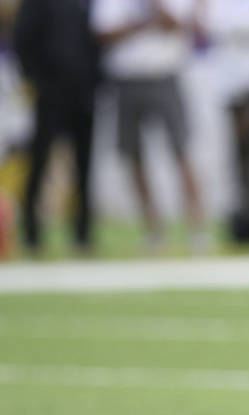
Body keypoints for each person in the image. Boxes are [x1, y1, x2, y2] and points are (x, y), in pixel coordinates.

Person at [91, 0, 208, 253]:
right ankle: (153, 229)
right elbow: (102, 33)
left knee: (181, 149)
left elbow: (180, 25)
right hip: (127, 78)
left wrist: (153, 9)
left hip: (164, 74)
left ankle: (197, 227)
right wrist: (138, 25)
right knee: (133, 156)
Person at [13, 0, 100, 256]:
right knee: (39, 161)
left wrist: (95, 80)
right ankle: (31, 233)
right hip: (50, 92)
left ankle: (83, 234)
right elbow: (23, 38)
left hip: (83, 93)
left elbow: (96, 41)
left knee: (84, 166)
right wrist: (37, 79)